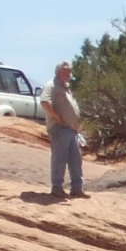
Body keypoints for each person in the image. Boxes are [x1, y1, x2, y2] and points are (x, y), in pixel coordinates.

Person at [39, 61, 87, 199]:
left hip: (71, 129)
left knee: (75, 159)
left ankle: (77, 188)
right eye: (66, 71)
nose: (69, 74)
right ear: (59, 71)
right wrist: (55, 117)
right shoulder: (51, 85)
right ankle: (57, 188)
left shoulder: (66, 87)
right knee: (59, 158)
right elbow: (44, 102)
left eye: (70, 71)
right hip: (60, 128)